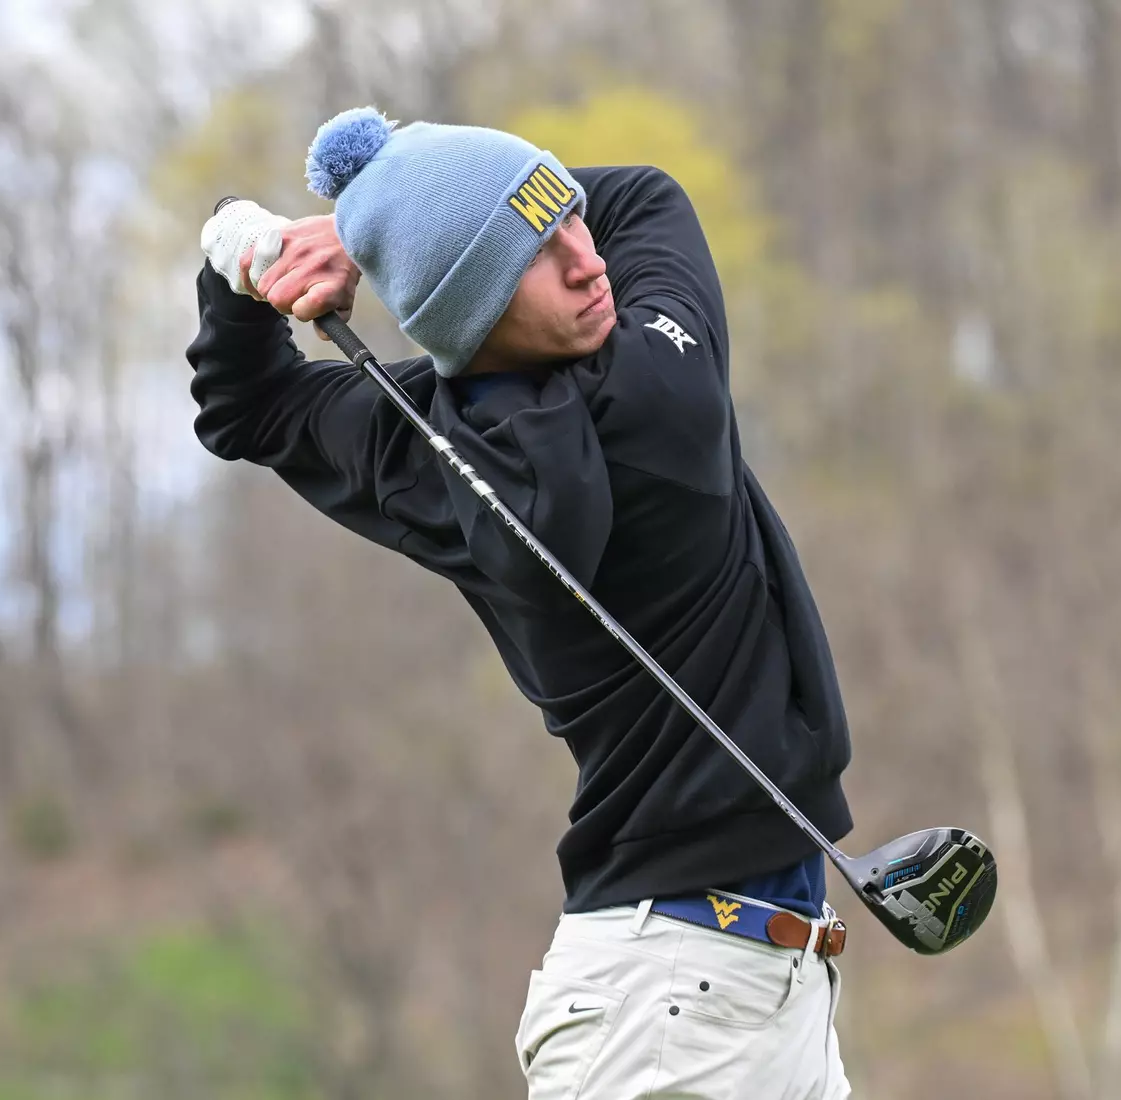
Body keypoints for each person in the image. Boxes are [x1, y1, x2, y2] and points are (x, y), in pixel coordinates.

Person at [187, 106, 854, 1098]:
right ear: (474, 305)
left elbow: (246, 404)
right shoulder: (661, 384)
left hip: (730, 990)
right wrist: (356, 232)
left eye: (569, 220)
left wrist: (236, 257)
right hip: (672, 1007)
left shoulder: (427, 450)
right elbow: (649, 194)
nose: (589, 261)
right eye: (540, 253)